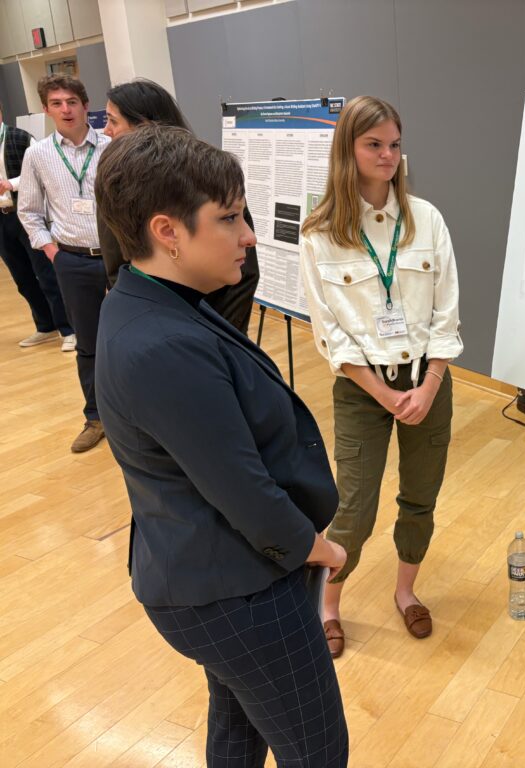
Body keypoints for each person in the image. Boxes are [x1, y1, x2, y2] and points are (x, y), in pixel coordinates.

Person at [94, 124, 348, 767]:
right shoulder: (162, 345)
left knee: (239, 730)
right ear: (167, 231)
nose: (249, 236)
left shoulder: (153, 300)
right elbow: (241, 489)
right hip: (236, 591)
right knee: (318, 752)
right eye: (229, 218)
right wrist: (317, 547)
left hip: (210, 580)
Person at [299, 95, 462, 657]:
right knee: (354, 506)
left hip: (427, 384)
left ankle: (405, 592)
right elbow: (330, 333)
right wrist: (385, 392)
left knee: (420, 497)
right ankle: (327, 606)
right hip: (363, 390)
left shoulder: (428, 220)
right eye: (374, 144)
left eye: (395, 144)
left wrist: (429, 385)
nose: (388, 155)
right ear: (348, 149)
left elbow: (447, 314)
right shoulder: (319, 231)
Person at [99, 78, 261, 333]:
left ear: (144, 124)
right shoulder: (117, 185)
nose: (106, 130)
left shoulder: (206, 178)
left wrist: (221, 336)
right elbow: (117, 268)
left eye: (113, 120)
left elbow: (245, 274)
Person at [18, 75, 110, 452]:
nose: (65, 109)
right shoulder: (37, 154)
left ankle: (142, 414)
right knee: (87, 344)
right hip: (72, 261)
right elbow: (28, 212)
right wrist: (53, 252)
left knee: (132, 338)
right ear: (46, 109)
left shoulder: (111, 146)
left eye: (72, 101)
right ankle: (95, 418)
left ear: (85, 105)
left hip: (121, 258)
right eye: (56, 103)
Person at [0, 101, 74, 349]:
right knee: (21, 277)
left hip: (25, 215)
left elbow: (38, 172)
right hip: (1, 218)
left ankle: (68, 329)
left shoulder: (20, 138)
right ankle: (45, 325)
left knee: (45, 273)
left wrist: (11, 184)